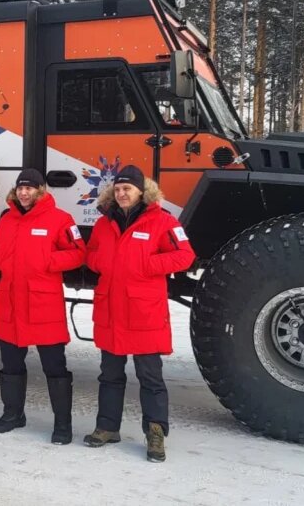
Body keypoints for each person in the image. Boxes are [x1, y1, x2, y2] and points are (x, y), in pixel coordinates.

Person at [81, 165, 196, 463]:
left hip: (144, 311)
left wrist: (145, 266)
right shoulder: (104, 223)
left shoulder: (163, 221)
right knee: (110, 374)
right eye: (117, 189)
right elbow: (90, 254)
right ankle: (107, 427)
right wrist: (103, 263)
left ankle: (155, 434)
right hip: (111, 310)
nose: (121, 194)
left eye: (127, 189)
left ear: (141, 192)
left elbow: (185, 256)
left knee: (150, 376)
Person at [0, 168, 86, 445]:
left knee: (54, 367)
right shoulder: (6, 219)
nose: (24, 192)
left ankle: (63, 425)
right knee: (11, 365)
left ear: (41, 190)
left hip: (43, 304)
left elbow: (78, 252)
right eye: (20, 187)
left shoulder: (60, 219)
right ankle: (13, 414)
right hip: (10, 303)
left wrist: (46, 263)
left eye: (30, 188)